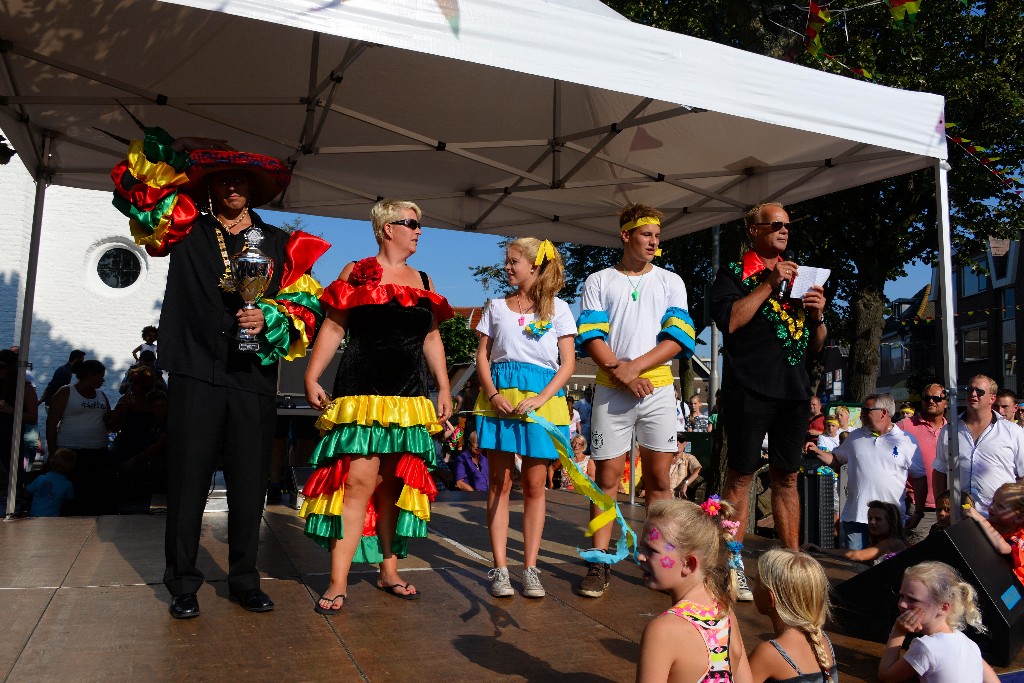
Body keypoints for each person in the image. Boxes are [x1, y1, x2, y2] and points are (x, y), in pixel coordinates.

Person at [111, 128, 330, 619]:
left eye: (241, 180)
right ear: (209, 187)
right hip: (193, 370)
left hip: (251, 376)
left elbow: (306, 308)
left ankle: (244, 580)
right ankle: (183, 583)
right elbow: (136, 194)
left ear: (253, 187)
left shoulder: (280, 243)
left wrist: (268, 316)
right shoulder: (184, 229)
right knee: (187, 481)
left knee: (250, 483)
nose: (232, 187)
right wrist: (181, 153)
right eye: (223, 180)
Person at [301, 199, 452, 615]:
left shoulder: (422, 278)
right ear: (388, 228)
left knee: (393, 486)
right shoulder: (356, 270)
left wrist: (443, 388)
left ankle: (389, 571)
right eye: (412, 224)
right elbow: (334, 326)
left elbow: (431, 338)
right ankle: (337, 580)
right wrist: (312, 376)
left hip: (407, 400)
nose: (419, 230)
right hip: (362, 396)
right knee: (357, 486)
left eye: (419, 224)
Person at [575, 202, 696, 598]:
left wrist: (634, 370)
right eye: (647, 235)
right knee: (605, 479)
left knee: (660, 479)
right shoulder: (598, 279)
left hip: (657, 388)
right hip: (612, 389)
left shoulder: (670, 280)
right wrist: (619, 372)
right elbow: (590, 334)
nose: (654, 243)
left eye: (658, 237)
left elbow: (679, 336)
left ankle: (663, 561)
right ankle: (598, 560)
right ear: (626, 235)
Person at [712, 201, 828, 601]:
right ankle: (732, 563)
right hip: (750, 389)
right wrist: (767, 283)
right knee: (741, 477)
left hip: (794, 393)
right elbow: (730, 322)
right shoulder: (731, 274)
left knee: (788, 477)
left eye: (787, 225)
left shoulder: (801, 277)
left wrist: (818, 317)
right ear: (754, 231)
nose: (784, 230)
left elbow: (816, 348)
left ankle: (791, 566)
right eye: (775, 224)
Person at [474, 237, 576, 598]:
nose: (507, 267)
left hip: (541, 402)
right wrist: (494, 394)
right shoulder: (496, 306)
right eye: (506, 261)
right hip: (500, 398)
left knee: (535, 485)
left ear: (534, 265)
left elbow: (568, 364)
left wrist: (542, 398)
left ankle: (530, 569)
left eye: (513, 261)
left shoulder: (559, 309)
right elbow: (482, 356)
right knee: (499, 483)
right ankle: (500, 568)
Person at [635, 498, 752, 683]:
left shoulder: (662, 632)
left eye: (651, 550)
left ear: (689, 563)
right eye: (641, 547)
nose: (640, 556)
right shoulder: (725, 615)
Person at [806, 394, 919, 550]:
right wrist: (817, 451)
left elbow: (920, 477)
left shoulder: (906, 441)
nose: (861, 415)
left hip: (890, 520)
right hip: (856, 517)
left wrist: (918, 511)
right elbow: (837, 460)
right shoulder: (855, 437)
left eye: (866, 410)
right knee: (855, 568)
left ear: (883, 412)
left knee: (886, 567)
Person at [878, 561, 999, 683]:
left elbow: (886, 677)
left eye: (913, 600)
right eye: (902, 596)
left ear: (943, 607)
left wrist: (898, 631)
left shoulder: (926, 647)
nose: (902, 604)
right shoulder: (969, 645)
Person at [933, 375, 1024, 517]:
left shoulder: (1013, 432)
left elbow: (1022, 476)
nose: (973, 394)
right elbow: (940, 471)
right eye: (970, 389)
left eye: (979, 391)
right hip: (958, 516)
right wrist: (941, 509)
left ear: (992, 398)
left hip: (997, 518)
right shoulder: (950, 430)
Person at [748, 549, 838, 683]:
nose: (752, 589)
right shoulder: (822, 641)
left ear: (770, 599)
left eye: (755, 583)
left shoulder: (768, 654)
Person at [44, 359, 114, 516]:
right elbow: (51, 423)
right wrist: (53, 450)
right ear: (89, 375)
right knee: (71, 491)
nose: (103, 380)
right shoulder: (66, 392)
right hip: (70, 450)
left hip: (97, 450)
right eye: (100, 376)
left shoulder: (102, 396)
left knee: (93, 491)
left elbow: (109, 423)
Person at [903, 384, 948, 544]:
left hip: (948, 509)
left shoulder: (953, 429)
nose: (931, 401)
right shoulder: (905, 426)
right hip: (918, 508)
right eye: (926, 398)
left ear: (946, 402)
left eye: (936, 398)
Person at [803, 500, 908, 565]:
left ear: (891, 522)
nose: (872, 522)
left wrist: (821, 550)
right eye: (870, 518)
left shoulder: (893, 542)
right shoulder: (880, 541)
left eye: (878, 519)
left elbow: (858, 555)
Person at [963, 482, 1024, 585]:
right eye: (993, 501)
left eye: (1000, 506)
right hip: (995, 580)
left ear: (1019, 518)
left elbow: (1004, 549)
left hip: (1016, 588)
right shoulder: (991, 524)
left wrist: (979, 518)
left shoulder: (1020, 534)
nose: (992, 507)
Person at [0, 348, 40, 481]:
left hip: (10, 441)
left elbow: (33, 418)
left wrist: (11, 410)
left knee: (11, 479)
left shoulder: (24, 388)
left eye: (2, 367)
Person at [26, 447, 76, 517]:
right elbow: (69, 502)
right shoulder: (67, 485)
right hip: (52, 520)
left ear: (52, 462)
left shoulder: (40, 478)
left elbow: (27, 492)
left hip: (33, 516)